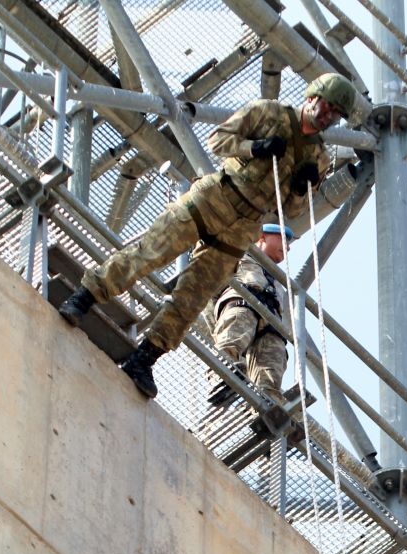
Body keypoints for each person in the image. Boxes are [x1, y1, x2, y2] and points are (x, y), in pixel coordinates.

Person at [58, 73, 359, 399]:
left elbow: (293, 211)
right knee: (151, 252)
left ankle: (145, 358)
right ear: (312, 97)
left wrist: (302, 187)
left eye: (333, 113)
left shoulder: (318, 159)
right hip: (215, 197)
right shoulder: (270, 113)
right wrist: (254, 148)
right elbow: (219, 140)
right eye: (324, 105)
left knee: (193, 297)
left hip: (243, 226)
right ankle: (84, 297)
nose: (325, 114)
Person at [206, 223, 295, 406]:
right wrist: (216, 322)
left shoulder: (279, 280)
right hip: (244, 304)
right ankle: (220, 378)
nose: (287, 247)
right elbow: (210, 288)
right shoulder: (240, 253)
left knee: (272, 369)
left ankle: (268, 406)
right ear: (262, 237)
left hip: (271, 324)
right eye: (282, 239)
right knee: (231, 341)